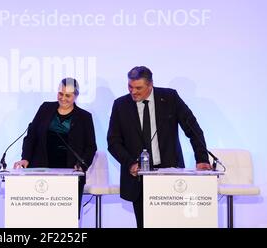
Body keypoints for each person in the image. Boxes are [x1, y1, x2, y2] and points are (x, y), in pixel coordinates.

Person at [107, 66, 211, 228]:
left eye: (138, 88)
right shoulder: (121, 105)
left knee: (172, 223)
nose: (133, 92)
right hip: (139, 178)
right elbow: (113, 142)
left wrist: (202, 159)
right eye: (130, 87)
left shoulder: (170, 98)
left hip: (169, 174)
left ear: (150, 85)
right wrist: (130, 163)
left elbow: (193, 129)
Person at [13, 78, 97, 215]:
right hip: (41, 169)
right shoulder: (45, 108)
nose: (63, 98)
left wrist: (82, 165)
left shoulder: (84, 117)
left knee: (66, 217)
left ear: (76, 96)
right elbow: (31, 136)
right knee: (40, 216)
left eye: (68, 95)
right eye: (60, 94)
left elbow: (91, 147)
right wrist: (25, 158)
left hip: (70, 173)